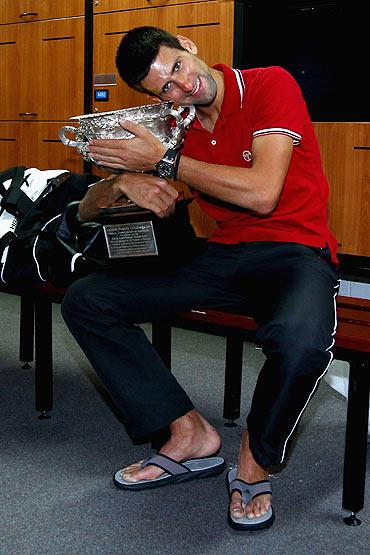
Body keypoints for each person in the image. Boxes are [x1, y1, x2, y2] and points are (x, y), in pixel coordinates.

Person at [61, 26, 339, 531]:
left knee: (301, 343)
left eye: (176, 68)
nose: (181, 87)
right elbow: (84, 209)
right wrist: (123, 181)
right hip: (224, 253)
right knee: (88, 300)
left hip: (297, 251)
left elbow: (262, 195)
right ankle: (188, 432)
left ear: (188, 46)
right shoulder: (173, 126)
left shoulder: (267, 85)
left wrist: (166, 162)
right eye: (163, 88)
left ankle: (255, 460)